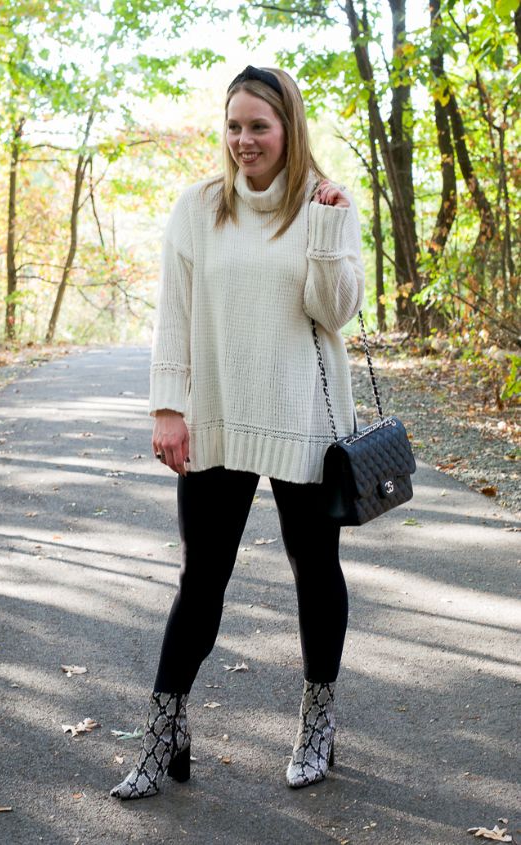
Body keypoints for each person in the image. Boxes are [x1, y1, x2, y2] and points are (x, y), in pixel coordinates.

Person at [110, 65, 364, 801]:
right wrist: (167, 406)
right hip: (218, 415)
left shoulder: (329, 203)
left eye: (259, 125)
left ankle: (318, 722)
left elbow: (333, 311)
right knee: (202, 582)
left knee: (315, 574)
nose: (244, 139)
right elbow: (174, 313)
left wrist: (322, 228)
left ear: (288, 128)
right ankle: (164, 732)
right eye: (234, 125)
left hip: (304, 420)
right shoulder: (199, 207)